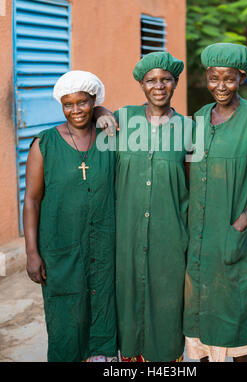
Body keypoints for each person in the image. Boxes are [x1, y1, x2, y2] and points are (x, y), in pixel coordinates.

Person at [183, 43, 247, 362]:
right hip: (198, 235)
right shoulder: (198, 118)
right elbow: (188, 171)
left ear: (242, 78)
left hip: (234, 231)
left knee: (236, 309)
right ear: (206, 78)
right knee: (198, 309)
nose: (221, 86)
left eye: (229, 78)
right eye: (214, 78)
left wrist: (243, 222)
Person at [95, 51, 192, 362]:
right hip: (126, 235)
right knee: (126, 303)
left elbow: (194, 186)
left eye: (166, 79)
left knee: (167, 307)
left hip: (170, 238)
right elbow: (95, 153)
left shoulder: (190, 129)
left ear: (176, 82)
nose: (159, 86)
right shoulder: (122, 119)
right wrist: (100, 110)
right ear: (141, 84)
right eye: (151, 80)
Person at [23, 70, 118, 362]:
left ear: (94, 101)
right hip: (61, 251)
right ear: (61, 105)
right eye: (68, 104)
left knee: (104, 313)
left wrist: (105, 110)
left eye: (83, 102)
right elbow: (32, 200)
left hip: (104, 249)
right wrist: (31, 253)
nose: (75, 110)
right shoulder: (45, 144)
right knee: (67, 322)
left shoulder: (110, 138)